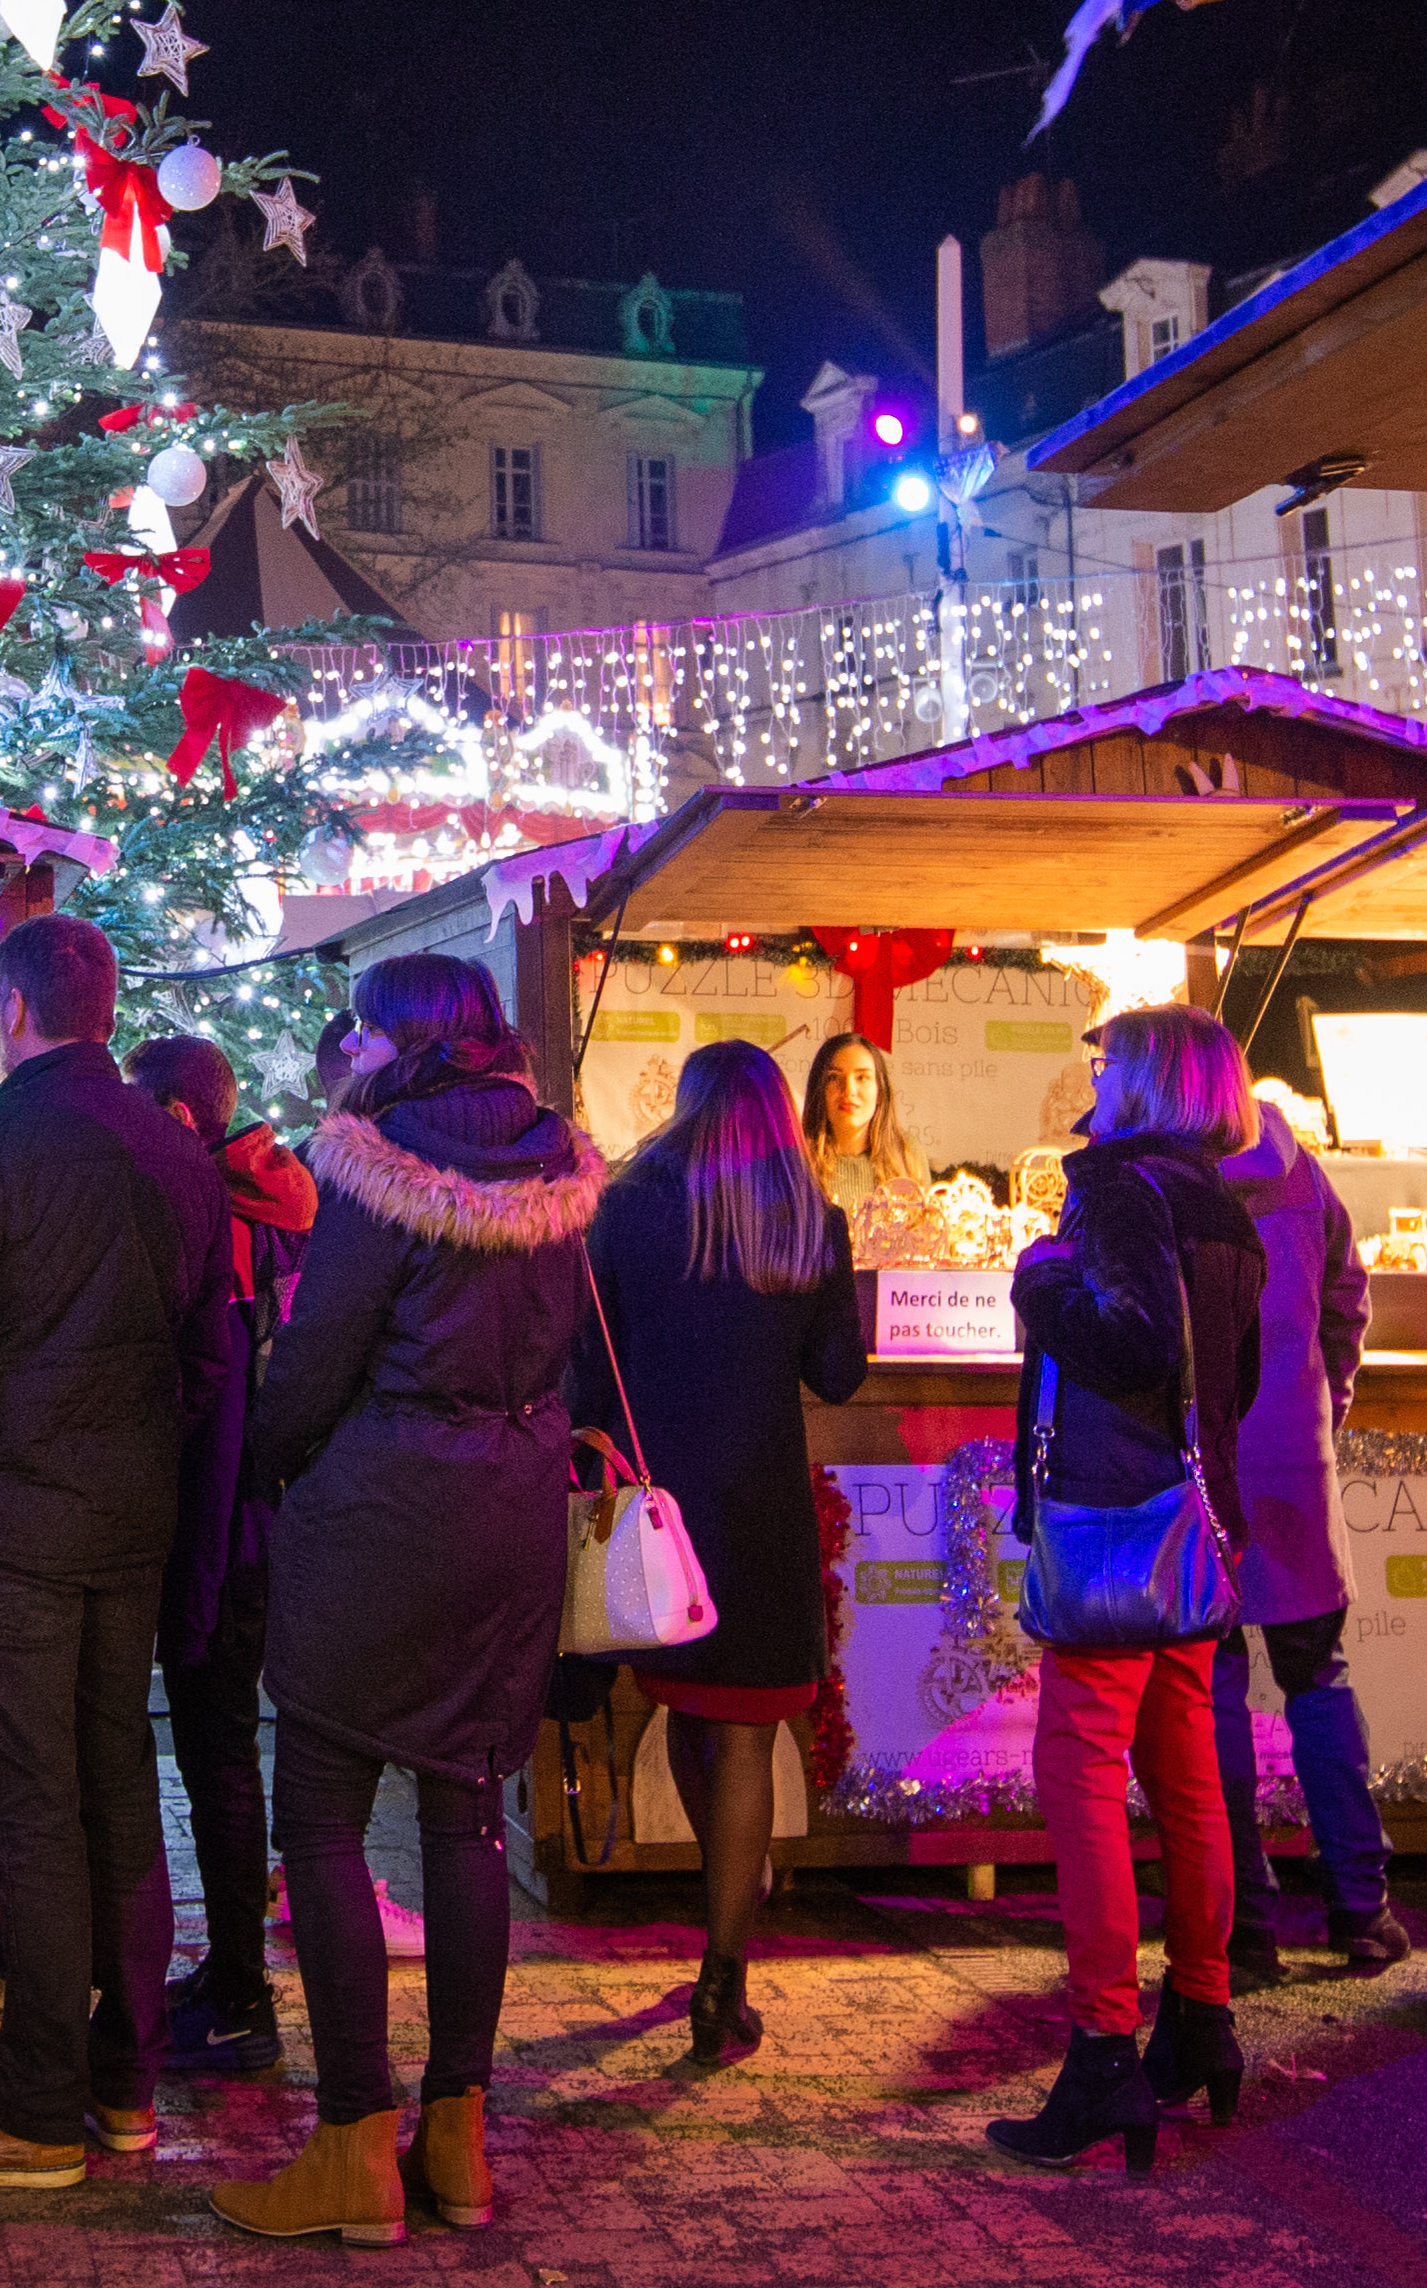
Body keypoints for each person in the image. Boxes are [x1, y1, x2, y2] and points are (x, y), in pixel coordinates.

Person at [217, 953, 604, 2248]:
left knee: (320, 1815)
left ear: (400, 1039)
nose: (356, 1052)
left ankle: (350, 2148)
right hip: (509, 1514)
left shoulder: (374, 1165)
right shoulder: (560, 1162)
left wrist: (266, 1452)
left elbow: (316, 1359)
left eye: (368, 1032)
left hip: (380, 1507)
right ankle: (458, 2134)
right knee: (467, 1815)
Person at [0, 913, 237, 2193]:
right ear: (106, 1003)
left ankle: (32, 2109)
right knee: (120, 1801)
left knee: (32, 1810)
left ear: (12, 1012)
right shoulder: (174, 1148)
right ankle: (124, 2089)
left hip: (12, 1525)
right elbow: (210, 1355)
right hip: (127, 1522)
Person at [987, 1004, 1267, 2173]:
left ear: (1146, 1080)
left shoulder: (1109, 1190)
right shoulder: (1223, 1200)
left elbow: (1134, 1339)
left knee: (1081, 1775)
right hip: (1194, 1523)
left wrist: (1037, 1279)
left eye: (1106, 1062)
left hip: (1109, 1511)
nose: (1089, 1076)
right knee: (1187, 1775)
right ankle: (1199, 2016)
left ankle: (1104, 2046)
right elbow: (1233, 1380)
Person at [575, 1042, 868, 2067]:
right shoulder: (808, 1220)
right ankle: (722, 1969)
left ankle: (722, 1911)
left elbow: (584, 1365)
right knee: (744, 1736)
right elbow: (838, 1375)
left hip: (659, 1514)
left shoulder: (625, 1211)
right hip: (759, 1510)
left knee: (683, 1714)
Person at [131, 1030, 318, 2076]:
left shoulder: (210, 1216)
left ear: (175, 1117)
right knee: (225, 1748)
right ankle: (232, 1971)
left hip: (214, 1518)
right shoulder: (282, 1198)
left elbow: (203, 1390)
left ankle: (239, 1985)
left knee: (215, 1751)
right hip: (269, 1514)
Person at [1207, 1073, 1403, 1981]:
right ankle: (1360, 1906)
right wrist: (1322, 1404)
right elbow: (1345, 1297)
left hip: (1194, 1457)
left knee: (1211, 1687)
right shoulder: (1299, 1167)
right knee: (1316, 1674)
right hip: (1290, 1448)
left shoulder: (1159, 1173)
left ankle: (1240, 1920)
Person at [800, 1030, 920, 1213]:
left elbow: (924, 1233)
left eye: (862, 1077)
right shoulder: (798, 1158)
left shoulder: (906, 1151)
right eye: (834, 1077)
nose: (849, 1091)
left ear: (880, 1090)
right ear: (820, 1089)